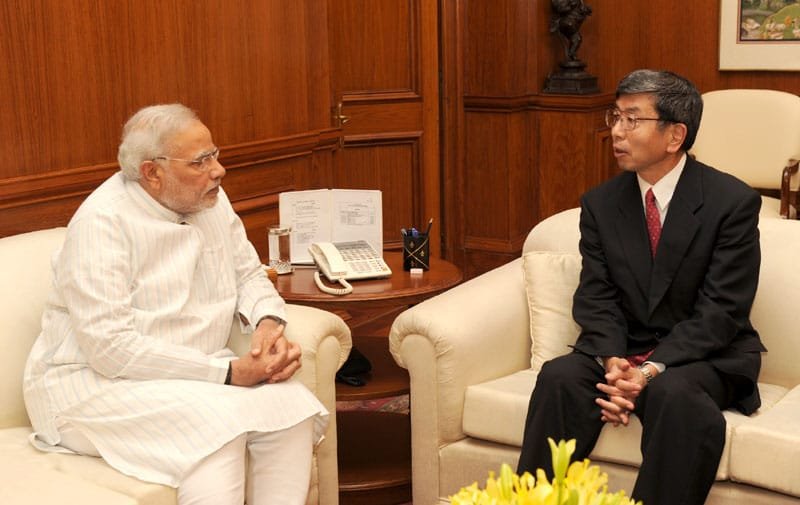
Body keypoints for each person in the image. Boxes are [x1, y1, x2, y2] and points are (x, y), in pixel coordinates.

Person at [23, 104, 328, 505]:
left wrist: (268, 325)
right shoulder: (102, 223)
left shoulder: (210, 199)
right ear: (152, 173)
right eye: (201, 161)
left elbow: (249, 274)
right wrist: (228, 373)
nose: (219, 170)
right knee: (214, 429)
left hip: (190, 376)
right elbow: (111, 350)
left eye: (215, 154)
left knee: (292, 408)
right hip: (93, 386)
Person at [517, 69, 765, 505]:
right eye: (615, 116)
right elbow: (597, 294)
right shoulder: (601, 203)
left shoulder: (732, 202)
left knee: (673, 394)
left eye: (633, 119)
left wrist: (647, 372)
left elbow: (722, 310)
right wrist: (614, 363)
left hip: (705, 354)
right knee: (560, 377)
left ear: (675, 136)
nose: (616, 130)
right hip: (625, 346)